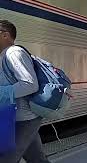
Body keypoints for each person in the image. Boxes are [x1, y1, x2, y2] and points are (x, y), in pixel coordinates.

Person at [0, 20, 51, 163]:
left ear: (5, 35)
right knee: (37, 159)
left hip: (24, 118)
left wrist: (2, 92)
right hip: (16, 117)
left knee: (6, 158)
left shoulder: (14, 53)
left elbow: (29, 84)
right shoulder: (4, 55)